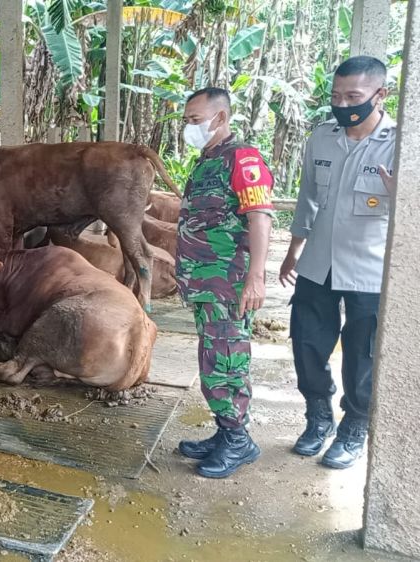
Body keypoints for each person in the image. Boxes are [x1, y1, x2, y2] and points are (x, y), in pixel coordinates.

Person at [280, 56, 395, 470]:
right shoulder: (322, 138)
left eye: (354, 96)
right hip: (317, 265)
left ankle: (354, 427)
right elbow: (307, 199)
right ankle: (319, 418)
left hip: (370, 270)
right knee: (307, 343)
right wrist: (293, 250)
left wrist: (401, 192)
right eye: (336, 95)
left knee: (362, 354)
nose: (343, 104)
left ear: (380, 95)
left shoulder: (401, 143)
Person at [175, 87, 274, 479]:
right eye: (186, 120)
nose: (189, 127)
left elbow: (260, 217)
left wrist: (256, 277)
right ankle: (226, 431)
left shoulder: (242, 158)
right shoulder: (208, 160)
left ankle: (238, 442)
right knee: (213, 356)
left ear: (221, 118)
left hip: (228, 283)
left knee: (226, 358)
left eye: (195, 120)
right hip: (207, 283)